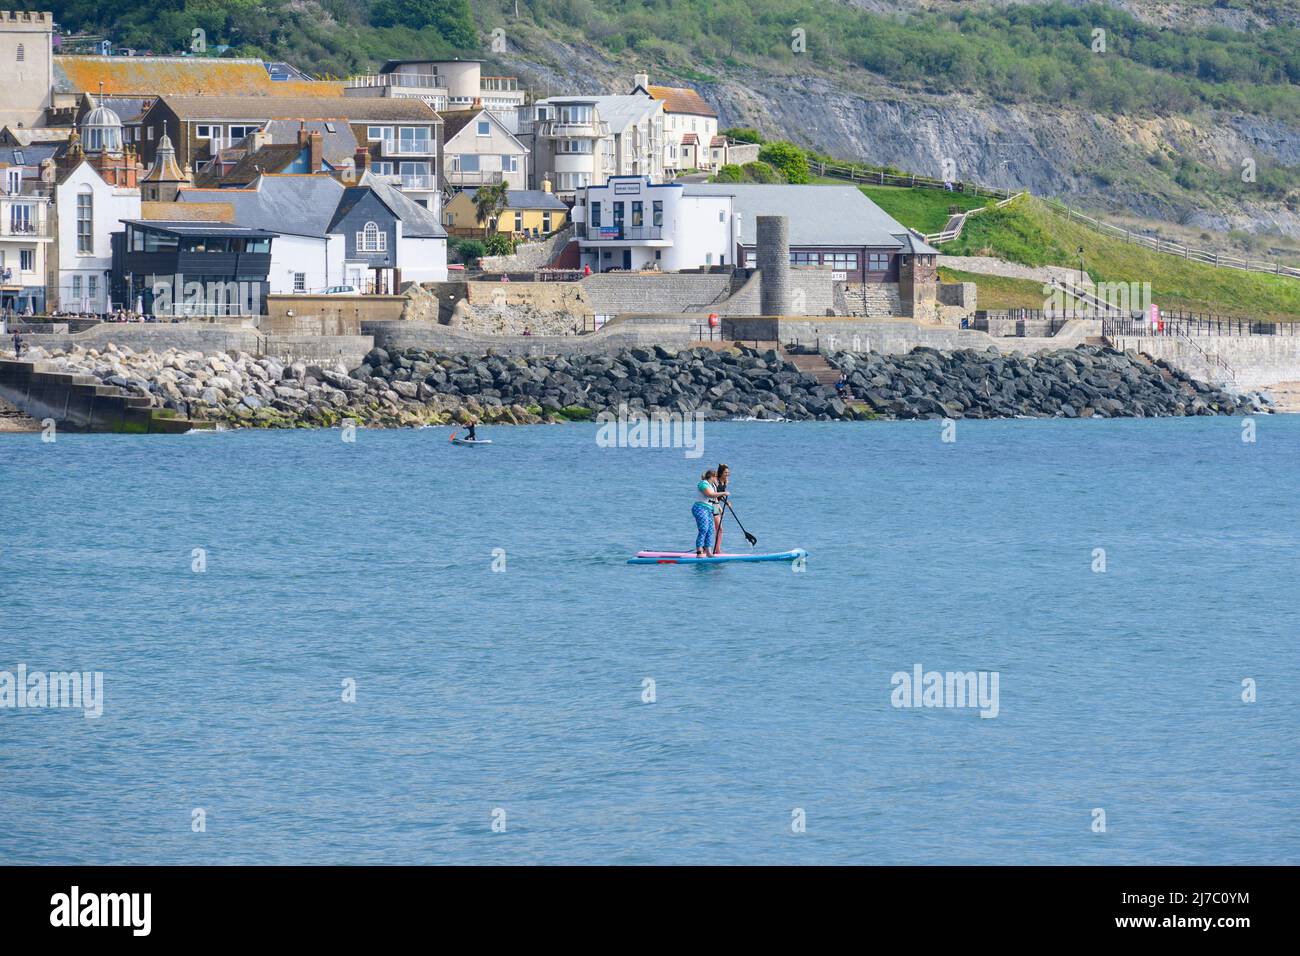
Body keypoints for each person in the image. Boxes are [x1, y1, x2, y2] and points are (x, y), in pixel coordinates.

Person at [693, 469, 728, 557]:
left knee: (710, 530)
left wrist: (719, 508)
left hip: (709, 509)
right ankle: (699, 552)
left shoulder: (712, 485)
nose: (717, 479)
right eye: (716, 477)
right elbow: (710, 495)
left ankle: (709, 552)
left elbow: (714, 499)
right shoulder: (703, 483)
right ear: (712, 477)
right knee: (704, 529)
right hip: (700, 508)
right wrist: (723, 493)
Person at [712, 463, 731, 554]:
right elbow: (713, 495)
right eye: (726, 473)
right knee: (714, 528)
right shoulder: (716, 481)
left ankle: (717, 550)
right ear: (721, 473)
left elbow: (720, 495)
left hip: (716, 504)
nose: (727, 474)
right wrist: (719, 506)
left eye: (728, 473)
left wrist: (725, 502)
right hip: (712, 505)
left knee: (719, 529)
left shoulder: (725, 482)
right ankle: (713, 550)